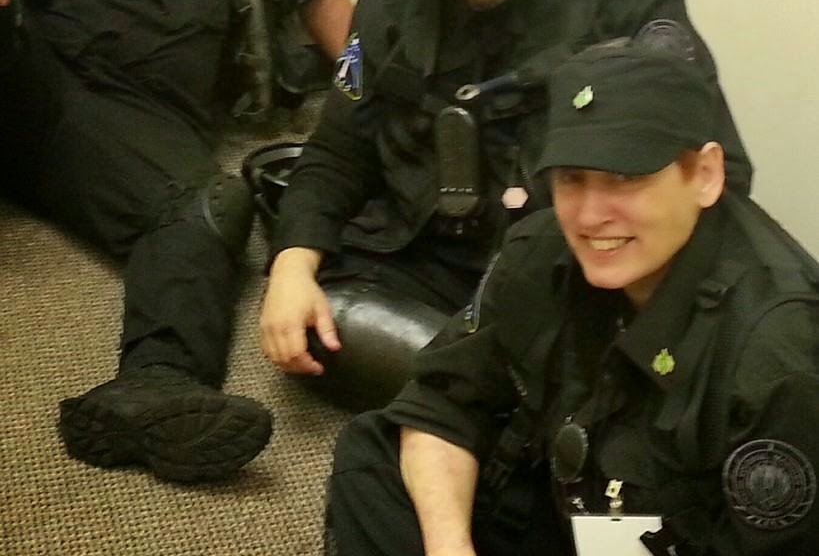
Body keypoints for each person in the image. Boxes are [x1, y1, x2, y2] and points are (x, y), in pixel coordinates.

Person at [258, 0, 752, 409]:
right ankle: (510, 397)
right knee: (320, 323)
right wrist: (290, 265)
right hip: (433, 257)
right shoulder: (388, 9)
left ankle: (474, 397)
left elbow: (716, 166)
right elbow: (337, 152)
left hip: (576, 262)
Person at [0, 0, 352, 483]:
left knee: (209, 206)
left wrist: (370, 92)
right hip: (34, 84)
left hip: (146, 126)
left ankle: (156, 389)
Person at [327, 38, 819, 556]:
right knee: (375, 452)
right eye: (571, 178)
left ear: (704, 175)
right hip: (568, 504)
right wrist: (449, 547)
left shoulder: (778, 359)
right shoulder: (542, 249)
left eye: (624, 177)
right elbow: (441, 403)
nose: (588, 216)